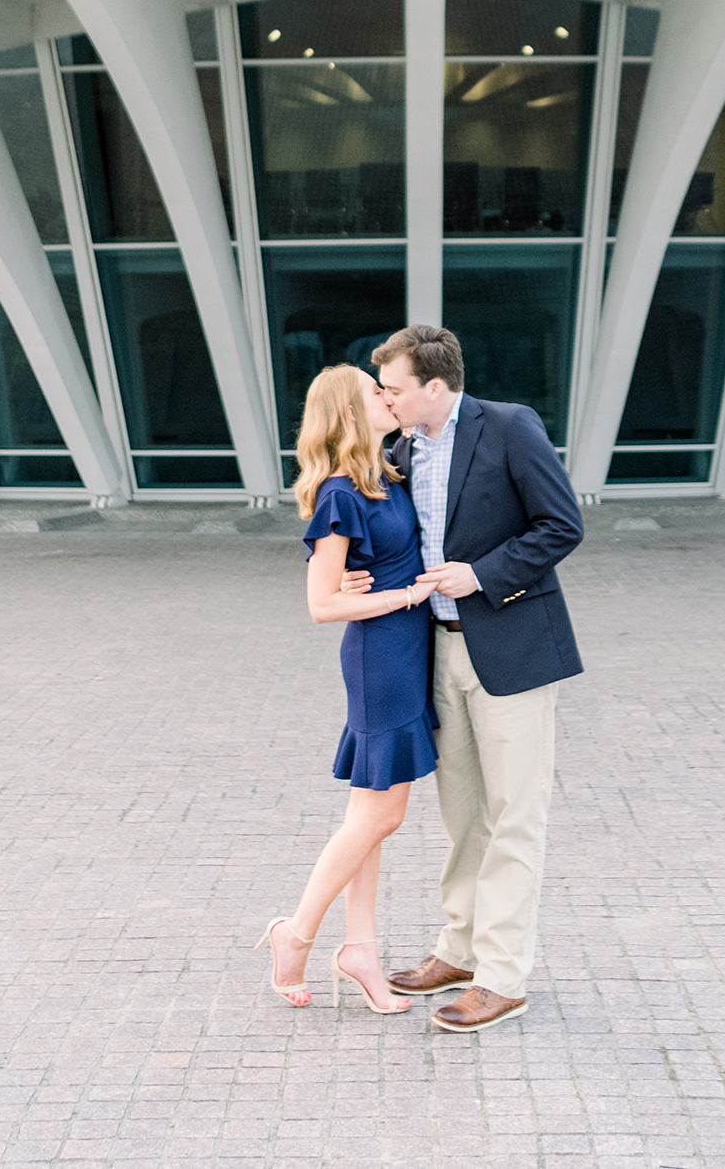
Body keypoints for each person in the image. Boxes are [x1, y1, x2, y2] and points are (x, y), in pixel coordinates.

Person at [345, 323, 584, 1034]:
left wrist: (481, 575)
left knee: (515, 817)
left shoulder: (509, 428)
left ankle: (503, 977)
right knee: (462, 815)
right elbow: (387, 539)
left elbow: (560, 525)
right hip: (438, 653)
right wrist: (357, 573)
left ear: (435, 388)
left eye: (393, 388)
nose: (385, 400)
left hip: (511, 648)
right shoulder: (397, 449)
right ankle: (459, 949)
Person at [254, 364, 439, 1013]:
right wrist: (404, 594)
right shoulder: (339, 493)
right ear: (349, 413)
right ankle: (296, 935)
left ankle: (360, 947)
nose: (387, 397)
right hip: (380, 658)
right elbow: (321, 605)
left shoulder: (388, 472)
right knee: (382, 814)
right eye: (374, 392)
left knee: (370, 819)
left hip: (408, 650)